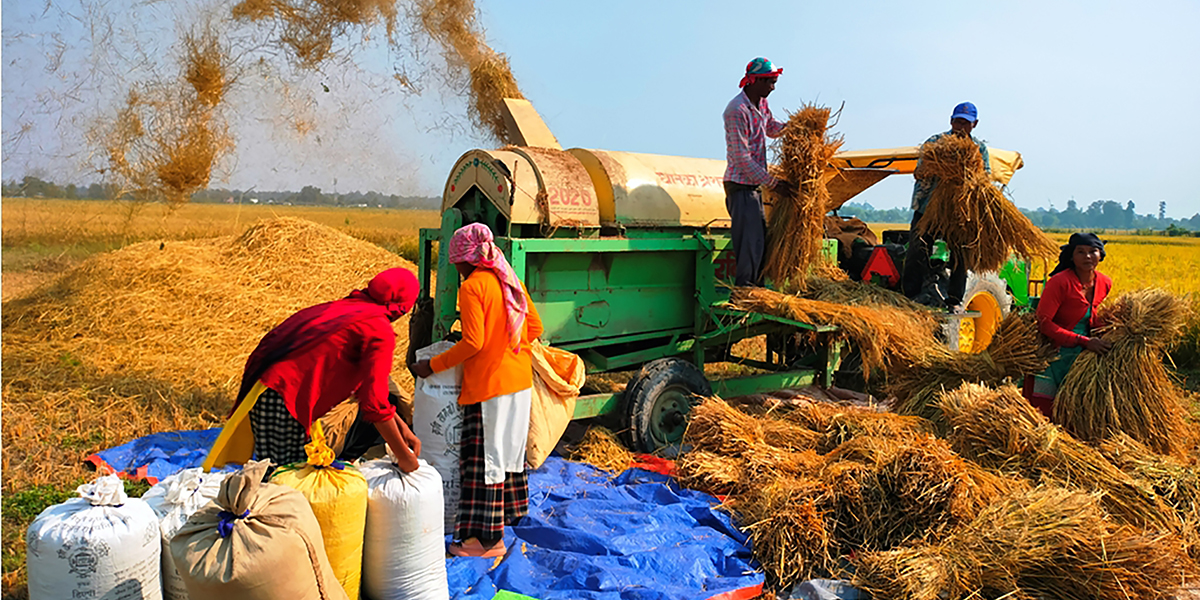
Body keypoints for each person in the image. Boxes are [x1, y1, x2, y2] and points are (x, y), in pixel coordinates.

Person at [409, 223, 544, 558]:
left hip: (490, 388)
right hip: (518, 383)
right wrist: (507, 343)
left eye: (455, 262)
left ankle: (486, 541)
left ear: (464, 260)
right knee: (508, 456)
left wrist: (433, 365)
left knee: (485, 462)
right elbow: (535, 327)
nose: (455, 268)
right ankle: (508, 519)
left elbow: (473, 342)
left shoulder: (472, 287)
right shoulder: (508, 279)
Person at [204, 268, 423, 474]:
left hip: (265, 391)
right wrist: (405, 457)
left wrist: (401, 427)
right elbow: (374, 404)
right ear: (403, 305)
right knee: (288, 476)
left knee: (272, 471)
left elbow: (364, 387)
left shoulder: (348, 309)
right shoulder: (377, 328)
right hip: (288, 397)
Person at [902, 102, 991, 308]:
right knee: (917, 248)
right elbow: (920, 172)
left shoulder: (979, 149)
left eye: (966, 123)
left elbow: (984, 178)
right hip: (928, 209)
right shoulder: (935, 143)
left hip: (959, 213)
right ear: (951, 121)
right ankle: (911, 294)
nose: (960, 126)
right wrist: (940, 168)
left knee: (961, 253)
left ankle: (954, 298)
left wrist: (965, 177)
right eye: (958, 121)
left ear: (974, 124)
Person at [1023, 233, 1113, 417]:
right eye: (1080, 252)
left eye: (1092, 251)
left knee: (1078, 408)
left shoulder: (1104, 282)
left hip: (1084, 354)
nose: (1087, 256)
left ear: (1100, 255)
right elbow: (1044, 323)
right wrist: (1084, 341)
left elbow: (1091, 315)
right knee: (1044, 411)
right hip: (1053, 353)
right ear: (1072, 256)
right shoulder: (1059, 282)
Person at [723, 57, 794, 287]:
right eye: (770, 82)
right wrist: (774, 184)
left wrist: (795, 127)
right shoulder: (737, 110)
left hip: (753, 187)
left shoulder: (761, 104)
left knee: (759, 243)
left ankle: (756, 291)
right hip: (741, 186)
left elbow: (771, 128)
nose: (773, 87)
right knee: (749, 246)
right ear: (755, 81)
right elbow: (742, 159)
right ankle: (745, 294)